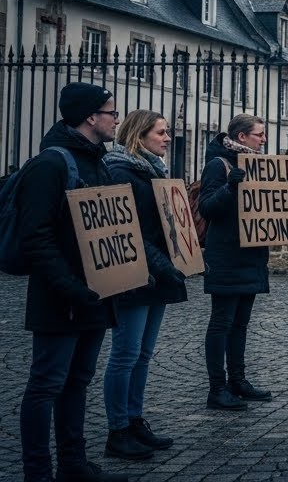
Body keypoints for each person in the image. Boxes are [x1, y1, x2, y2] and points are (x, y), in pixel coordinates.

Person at [17, 82, 129, 482]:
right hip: (61, 296)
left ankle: (73, 464)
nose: (117, 118)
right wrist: (71, 289)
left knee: (78, 381)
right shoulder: (51, 164)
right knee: (46, 384)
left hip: (95, 294)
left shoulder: (97, 161)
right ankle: (38, 472)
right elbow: (36, 236)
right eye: (112, 112)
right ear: (90, 117)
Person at [102, 110, 187, 461]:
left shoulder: (153, 170)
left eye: (167, 132)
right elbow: (131, 230)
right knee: (125, 354)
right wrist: (165, 264)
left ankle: (135, 420)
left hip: (158, 275)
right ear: (140, 135)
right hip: (135, 274)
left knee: (143, 354)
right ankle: (117, 429)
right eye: (161, 132)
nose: (168, 138)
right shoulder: (122, 171)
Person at [198, 114, 274, 410]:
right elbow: (206, 208)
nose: (264, 139)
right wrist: (230, 188)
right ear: (242, 137)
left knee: (241, 322)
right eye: (259, 134)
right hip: (227, 254)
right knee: (222, 322)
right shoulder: (219, 165)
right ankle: (217, 388)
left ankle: (238, 380)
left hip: (251, 253)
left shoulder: (260, 166)